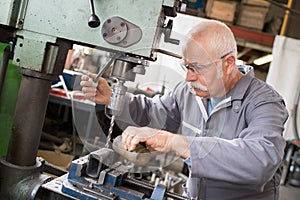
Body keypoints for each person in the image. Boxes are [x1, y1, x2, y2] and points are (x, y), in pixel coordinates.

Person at [80, 19, 289, 200]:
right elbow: (154, 114)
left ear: (228, 64)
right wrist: (115, 100)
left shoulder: (264, 103)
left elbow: (260, 161)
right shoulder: (188, 91)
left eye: (196, 68)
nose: (188, 77)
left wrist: (175, 142)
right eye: (186, 67)